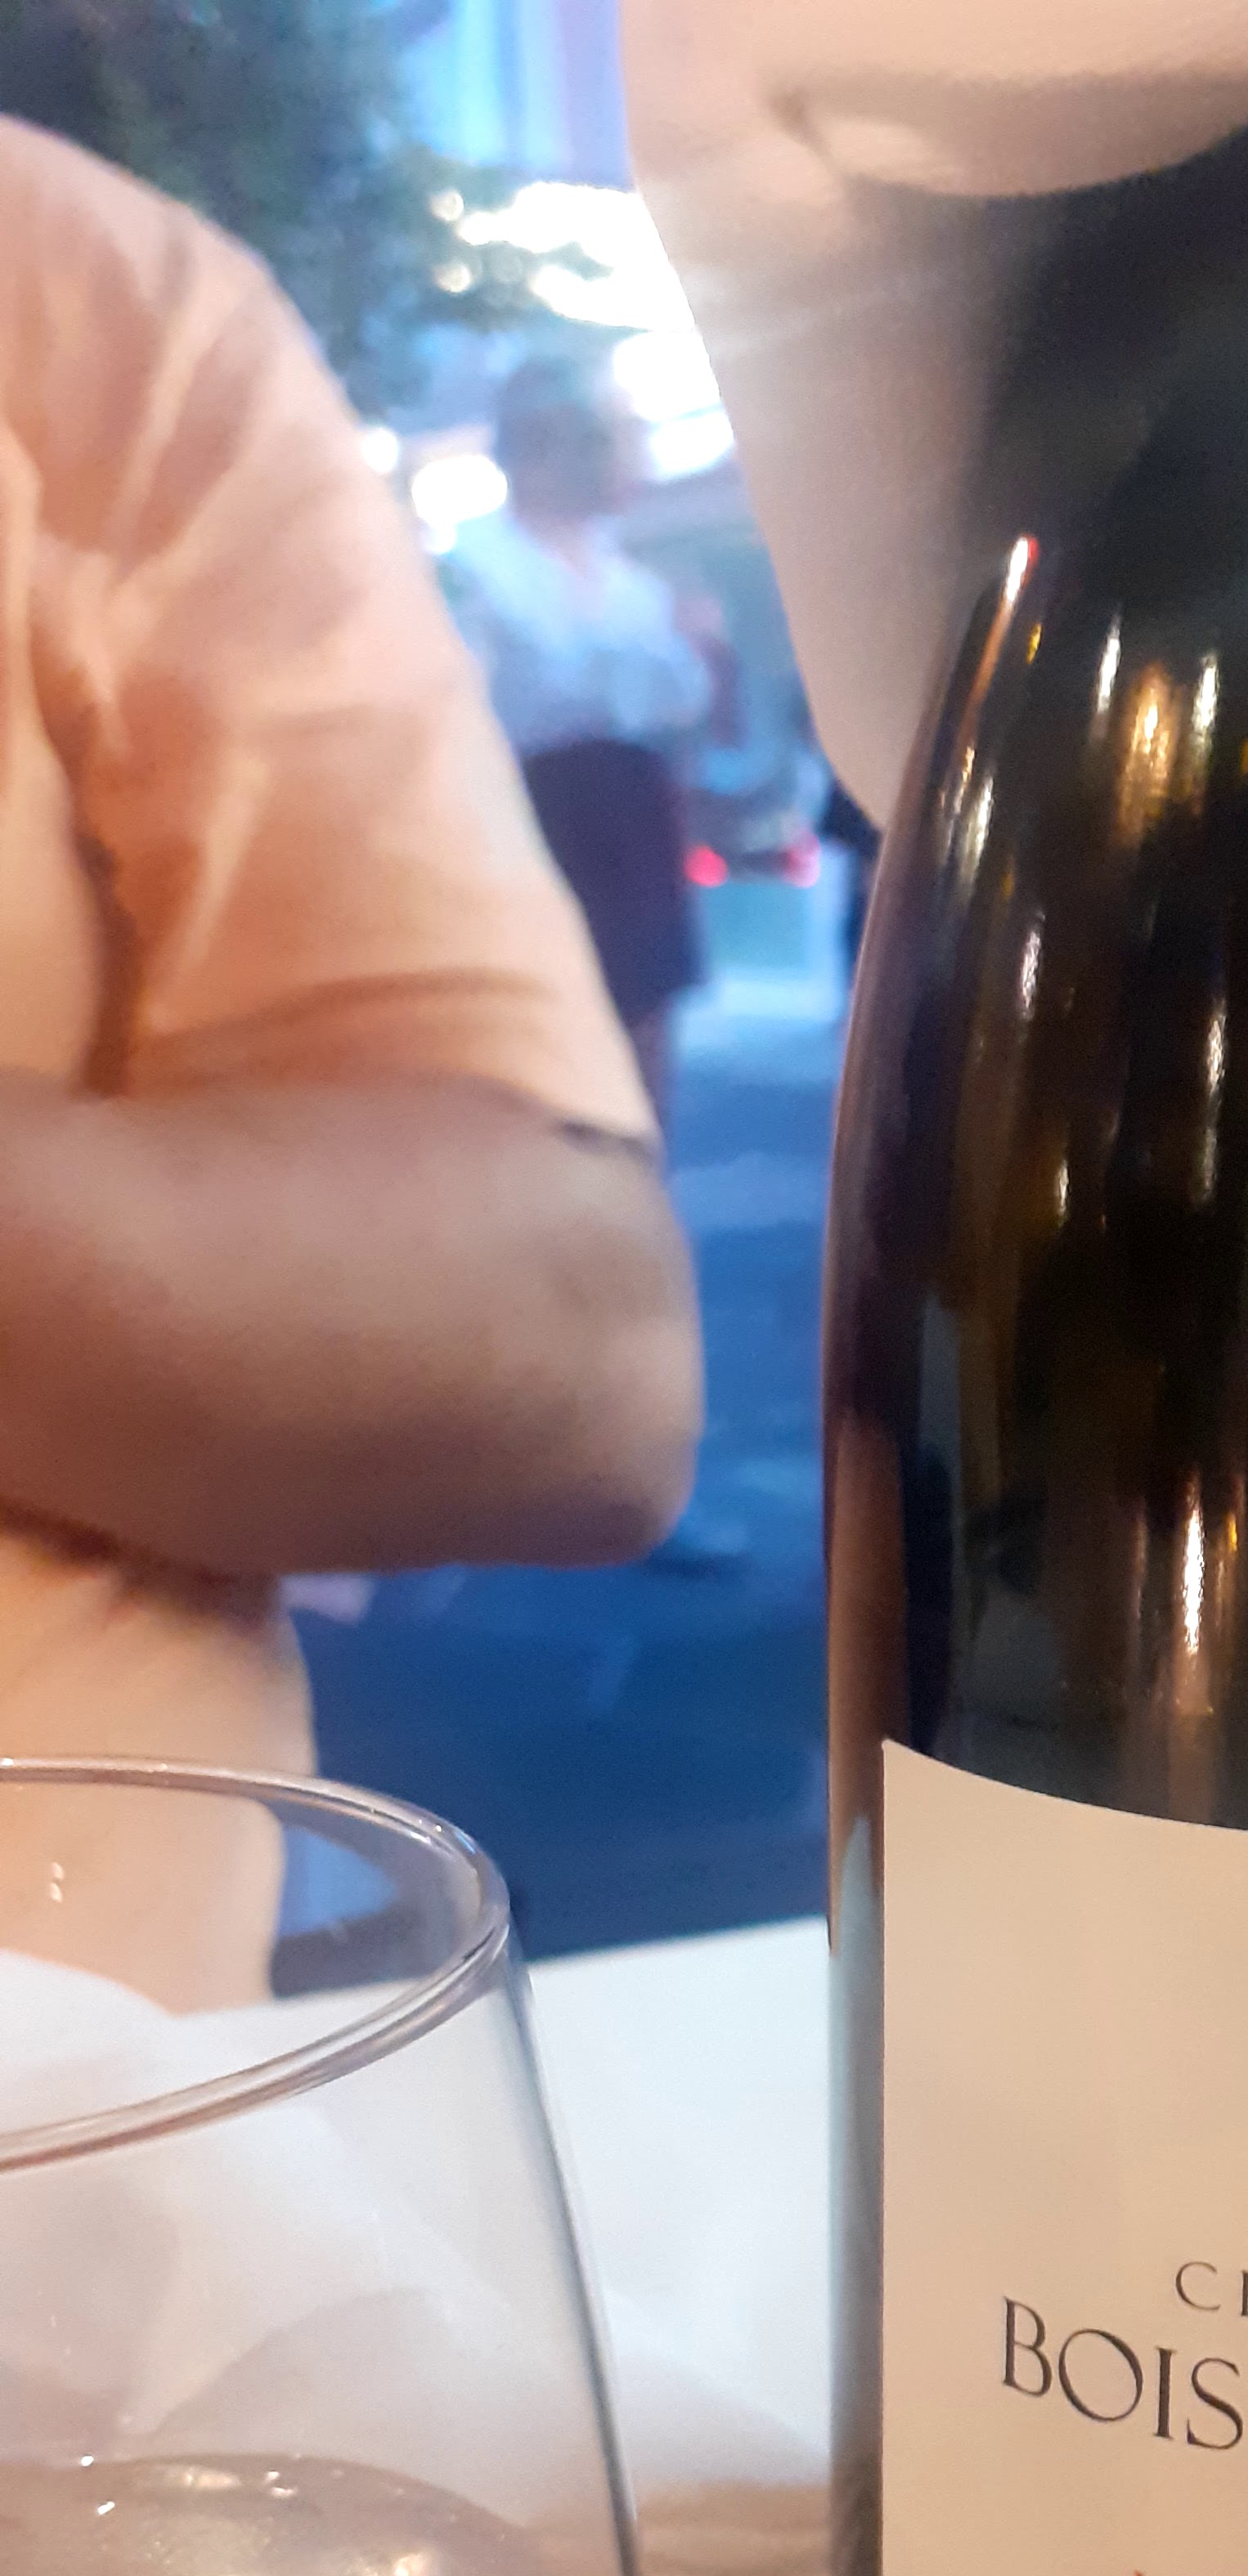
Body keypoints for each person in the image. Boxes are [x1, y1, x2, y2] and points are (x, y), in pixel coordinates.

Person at [0, 116, 700, 1807]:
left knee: (624, 1084)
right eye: (595, 435)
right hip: (569, 808)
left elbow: (581, 1345)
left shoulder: (89, 302)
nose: (613, 459)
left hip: (616, 814)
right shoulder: (504, 564)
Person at [446, 361, 718, 1127]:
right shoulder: (476, 566)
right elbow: (489, 700)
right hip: (537, 815)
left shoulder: (628, 574)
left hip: (634, 814)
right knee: (552, 1038)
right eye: (600, 439)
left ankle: (641, 1176)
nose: (618, 457)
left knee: (648, 1022)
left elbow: (684, 696)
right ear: (539, 449)